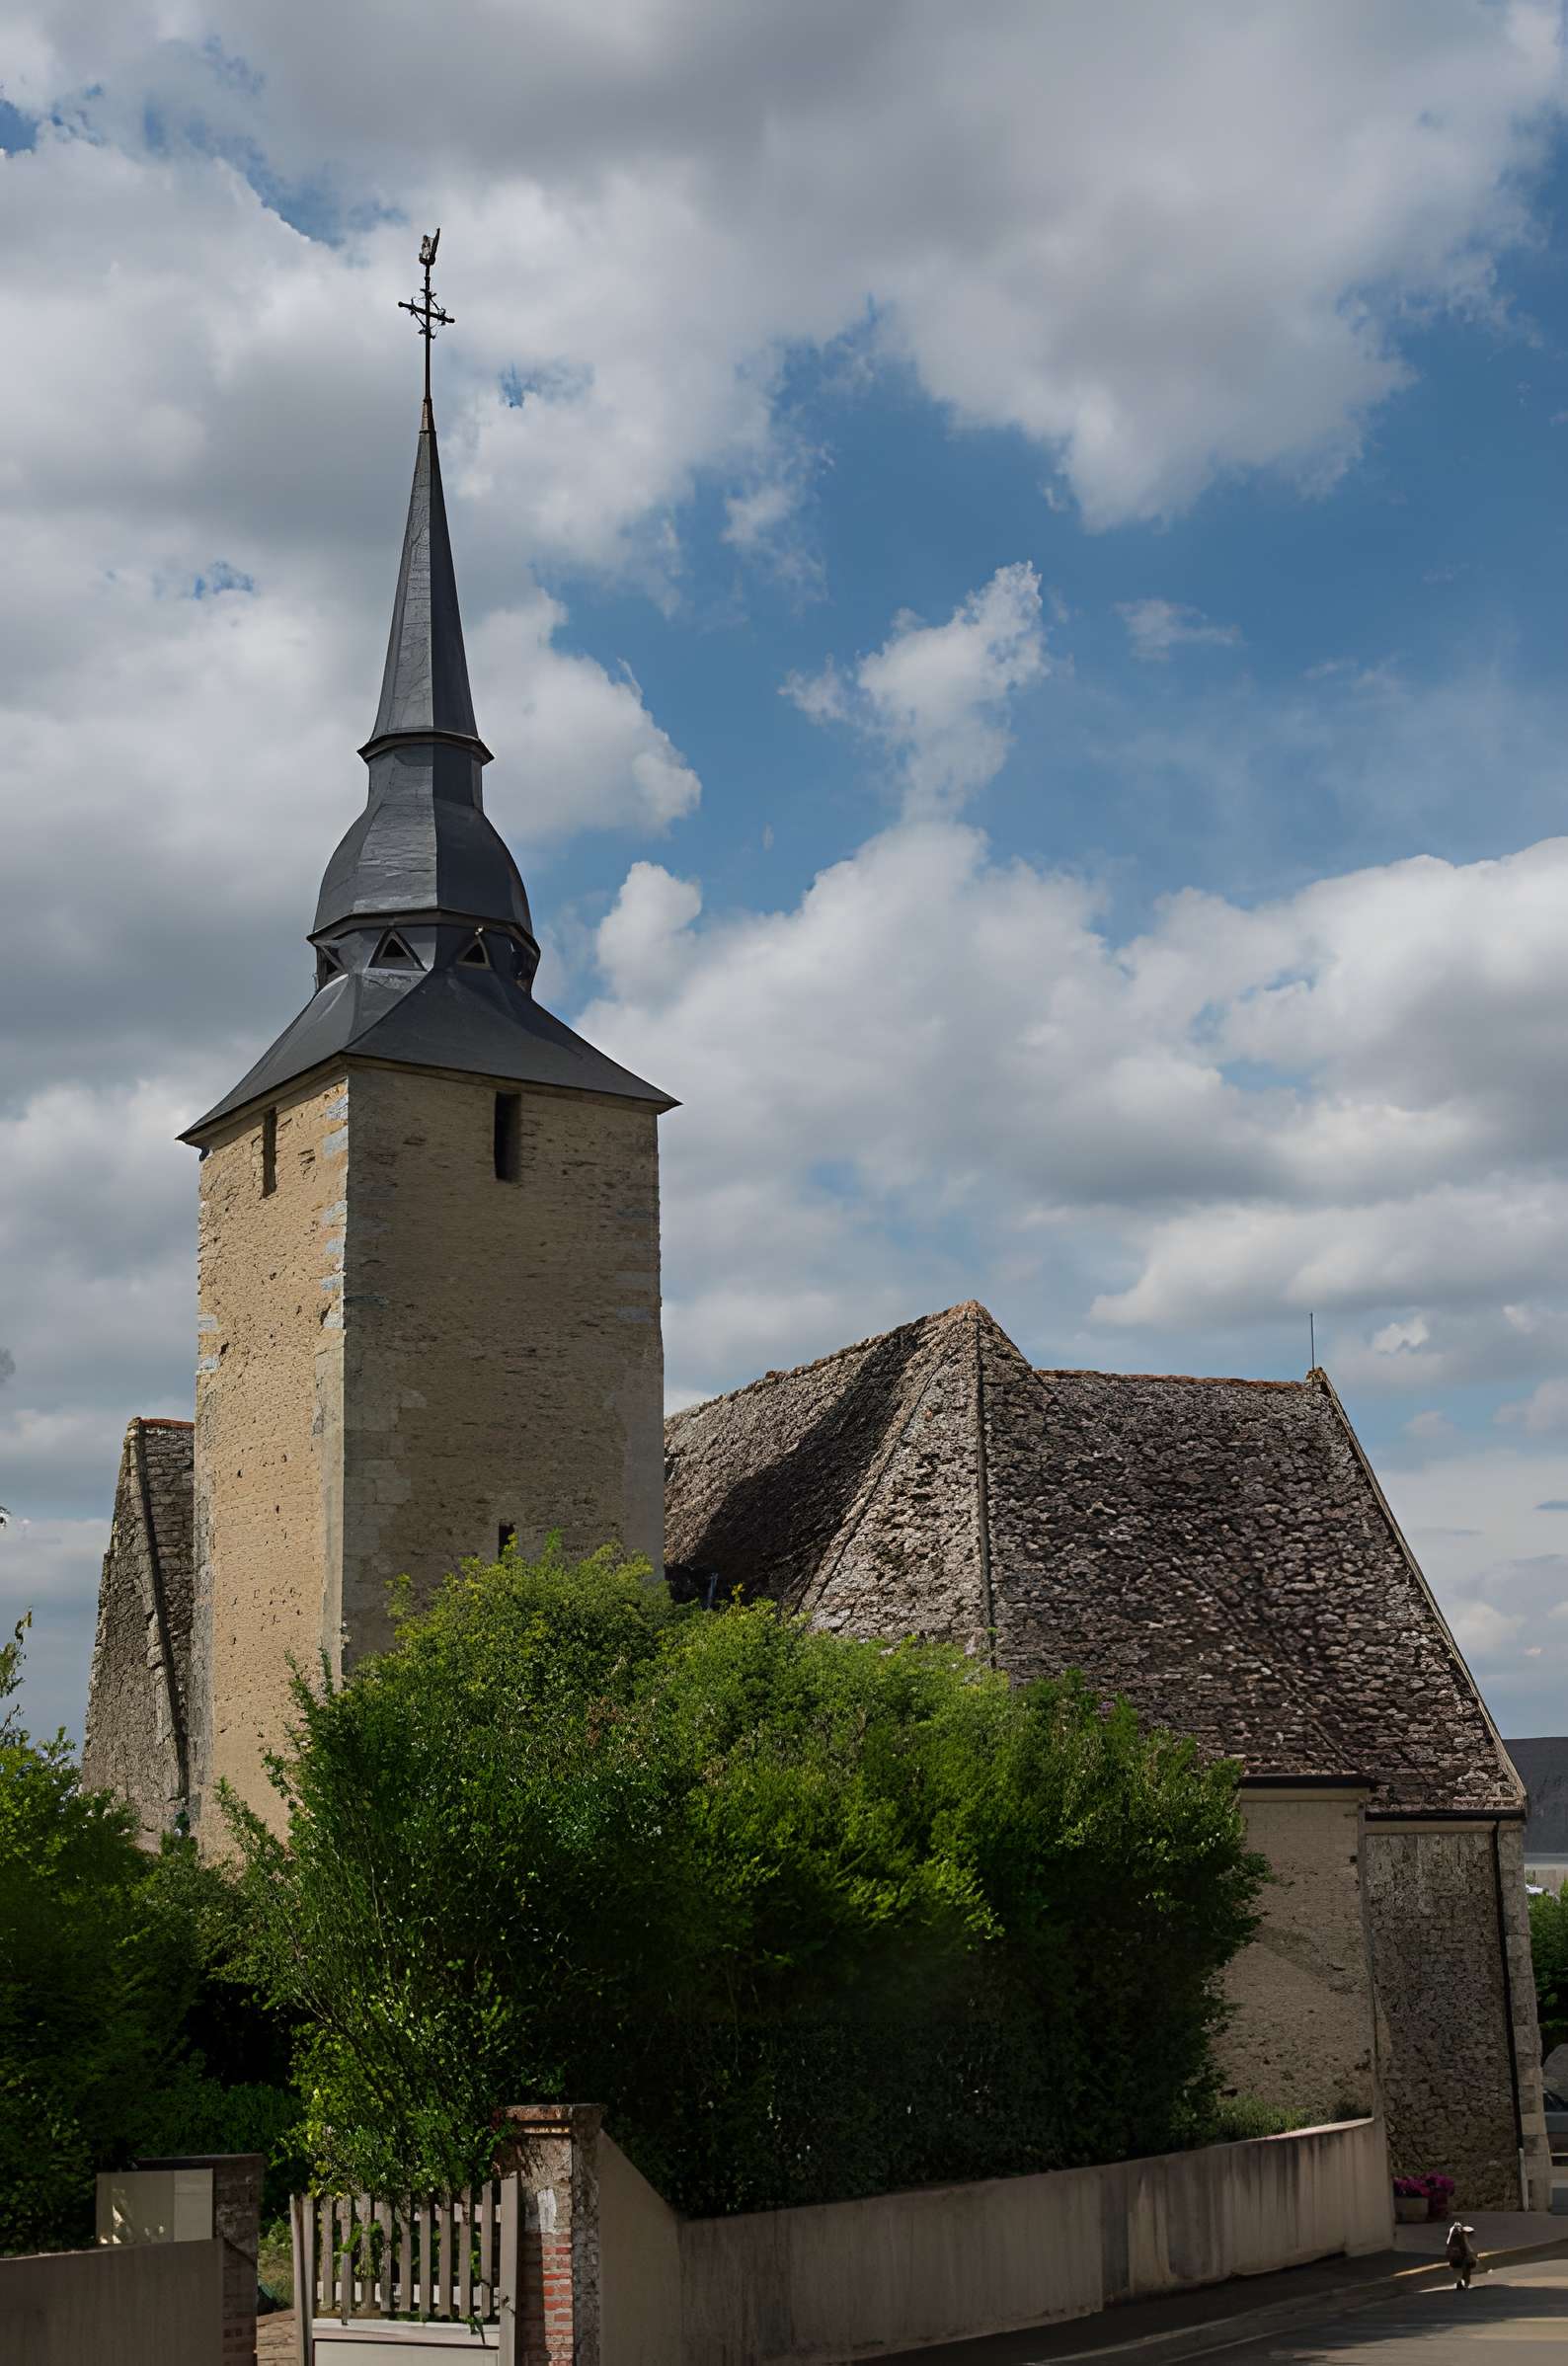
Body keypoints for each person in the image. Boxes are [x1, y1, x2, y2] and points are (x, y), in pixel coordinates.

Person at [1446, 2220, 1479, 2292]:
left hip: (1454, 2254)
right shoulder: (1462, 2235)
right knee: (1467, 2268)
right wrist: (1473, 2255)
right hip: (1462, 2255)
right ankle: (1465, 2283)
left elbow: (1448, 2243)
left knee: (1458, 2269)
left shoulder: (1452, 2234)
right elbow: (1468, 2247)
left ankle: (1459, 2282)